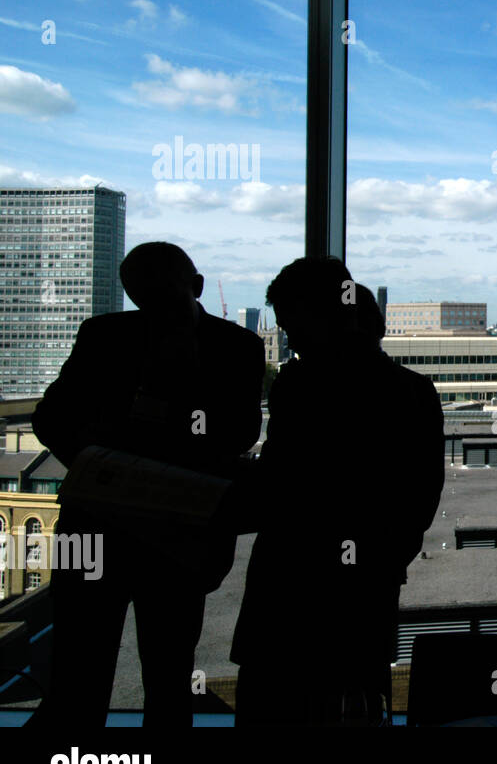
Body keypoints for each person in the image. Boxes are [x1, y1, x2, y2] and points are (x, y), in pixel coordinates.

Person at [29, 242, 265, 726]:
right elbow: (238, 434)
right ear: (196, 286)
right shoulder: (235, 346)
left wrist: (99, 461)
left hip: (100, 525)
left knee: (83, 674)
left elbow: (50, 417)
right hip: (179, 529)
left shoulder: (104, 335)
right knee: (167, 676)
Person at [231, 262, 443, 725]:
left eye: (292, 325)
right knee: (357, 700)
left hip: (287, 590)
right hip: (366, 593)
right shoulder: (415, 393)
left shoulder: (298, 386)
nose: (290, 338)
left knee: (272, 707)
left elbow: (280, 489)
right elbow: (421, 503)